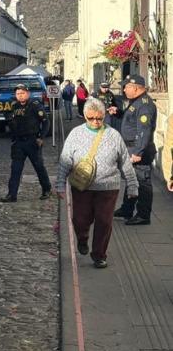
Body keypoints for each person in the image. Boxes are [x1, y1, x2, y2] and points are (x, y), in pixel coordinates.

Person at [57, 98, 138, 269]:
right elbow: (65, 160)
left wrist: (132, 185)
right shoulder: (75, 134)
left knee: (104, 221)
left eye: (99, 118)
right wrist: (60, 184)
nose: (95, 121)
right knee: (79, 219)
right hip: (81, 187)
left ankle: (99, 255)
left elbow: (125, 162)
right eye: (91, 118)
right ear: (85, 116)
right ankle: (82, 238)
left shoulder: (113, 135)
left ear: (104, 116)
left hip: (108, 187)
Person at [113, 75, 158, 226]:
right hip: (131, 147)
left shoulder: (145, 105)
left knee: (142, 182)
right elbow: (130, 120)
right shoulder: (136, 102)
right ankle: (127, 209)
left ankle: (143, 215)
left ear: (136, 87)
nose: (124, 89)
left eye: (126, 86)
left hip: (139, 150)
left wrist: (138, 153)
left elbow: (144, 131)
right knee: (132, 179)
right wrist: (118, 113)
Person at [0, 83, 52, 202]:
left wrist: (41, 137)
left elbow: (46, 122)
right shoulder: (14, 106)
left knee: (39, 167)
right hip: (18, 142)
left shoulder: (34, 105)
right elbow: (9, 119)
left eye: (23, 93)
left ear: (28, 94)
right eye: (18, 94)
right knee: (15, 169)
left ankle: (46, 189)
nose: (20, 96)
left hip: (32, 141)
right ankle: (12, 194)